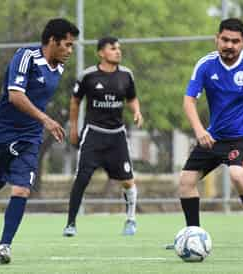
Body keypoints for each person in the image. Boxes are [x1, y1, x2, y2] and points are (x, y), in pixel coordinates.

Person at [0, 18, 80, 264]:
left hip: (29, 137)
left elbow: (37, 100)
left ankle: (4, 246)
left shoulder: (59, 67)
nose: (70, 51)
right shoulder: (26, 56)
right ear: (52, 41)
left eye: (73, 46)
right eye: (68, 45)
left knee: (22, 188)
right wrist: (46, 120)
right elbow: (15, 96)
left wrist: (40, 124)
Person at [178, 18, 243, 244]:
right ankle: (193, 235)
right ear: (217, 39)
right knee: (186, 182)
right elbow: (188, 101)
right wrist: (199, 130)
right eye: (225, 39)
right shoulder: (205, 65)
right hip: (214, 137)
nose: (229, 45)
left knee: (237, 174)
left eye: (235, 41)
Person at [63, 36, 143, 237]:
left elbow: (132, 98)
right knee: (82, 178)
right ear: (101, 53)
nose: (118, 51)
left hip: (117, 136)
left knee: (127, 181)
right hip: (93, 134)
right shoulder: (88, 76)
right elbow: (75, 101)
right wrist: (74, 128)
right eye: (113, 48)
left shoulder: (126, 75)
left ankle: (131, 220)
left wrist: (136, 111)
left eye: (119, 48)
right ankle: (71, 223)